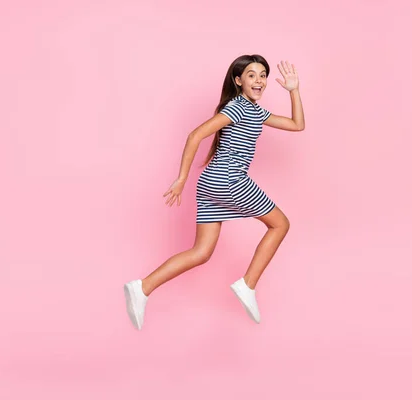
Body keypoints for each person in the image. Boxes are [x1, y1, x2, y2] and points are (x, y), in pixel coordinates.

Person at [123, 54, 305, 330]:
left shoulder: (256, 111)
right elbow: (196, 135)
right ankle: (247, 284)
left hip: (210, 183)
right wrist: (181, 178)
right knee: (280, 224)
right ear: (238, 81)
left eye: (263, 75)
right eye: (252, 75)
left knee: (201, 251)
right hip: (229, 179)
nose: (259, 80)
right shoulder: (238, 108)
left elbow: (296, 125)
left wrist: (294, 91)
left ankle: (142, 287)